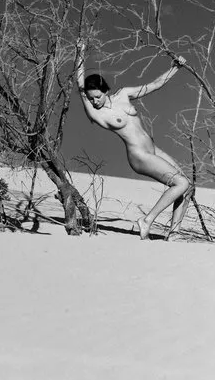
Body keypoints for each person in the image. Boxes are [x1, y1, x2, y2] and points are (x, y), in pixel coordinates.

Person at [75, 40, 193, 240]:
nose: (94, 101)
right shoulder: (97, 114)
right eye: (91, 98)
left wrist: (176, 67)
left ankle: (174, 234)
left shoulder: (123, 94)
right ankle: (147, 220)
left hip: (152, 149)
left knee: (188, 187)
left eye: (97, 96)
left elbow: (154, 85)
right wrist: (80, 52)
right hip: (139, 155)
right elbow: (79, 84)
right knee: (180, 183)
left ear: (105, 90)